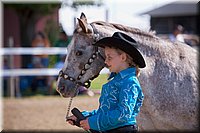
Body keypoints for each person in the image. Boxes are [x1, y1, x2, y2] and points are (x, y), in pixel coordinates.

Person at [66, 32, 146, 133]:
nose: (105, 61)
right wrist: (84, 117)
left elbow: (123, 114)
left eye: (109, 57)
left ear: (123, 57)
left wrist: (92, 122)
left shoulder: (130, 82)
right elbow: (105, 111)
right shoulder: (118, 81)